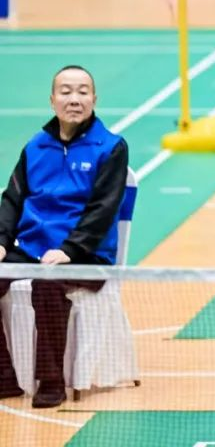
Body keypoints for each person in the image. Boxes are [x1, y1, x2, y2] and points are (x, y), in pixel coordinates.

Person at [0, 66, 129, 408]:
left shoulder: (111, 147)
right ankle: (4, 377)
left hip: (87, 255)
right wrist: (1, 240)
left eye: (83, 91)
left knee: (47, 284)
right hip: (33, 248)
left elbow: (103, 210)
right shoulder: (36, 146)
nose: (75, 99)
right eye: (66, 91)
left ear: (94, 99)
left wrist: (70, 249)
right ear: (52, 100)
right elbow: (12, 198)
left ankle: (51, 380)